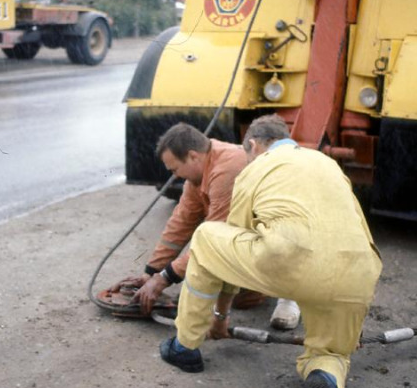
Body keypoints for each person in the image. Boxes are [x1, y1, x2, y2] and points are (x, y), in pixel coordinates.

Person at [158, 114, 382, 388]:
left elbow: (231, 245)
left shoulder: (255, 169)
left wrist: (221, 317)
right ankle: (324, 377)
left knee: (206, 239)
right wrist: (357, 317)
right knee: (332, 351)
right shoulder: (327, 165)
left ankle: (185, 346)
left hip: (290, 262)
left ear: (253, 145)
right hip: (358, 273)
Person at [112, 122, 301, 329]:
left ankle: (290, 294)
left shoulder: (227, 170)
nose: (174, 176)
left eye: (175, 169)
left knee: (245, 299)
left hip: (284, 240)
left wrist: (163, 279)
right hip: (255, 237)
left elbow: (213, 241)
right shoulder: (198, 174)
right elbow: (180, 224)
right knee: (219, 281)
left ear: (193, 156)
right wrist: (150, 273)